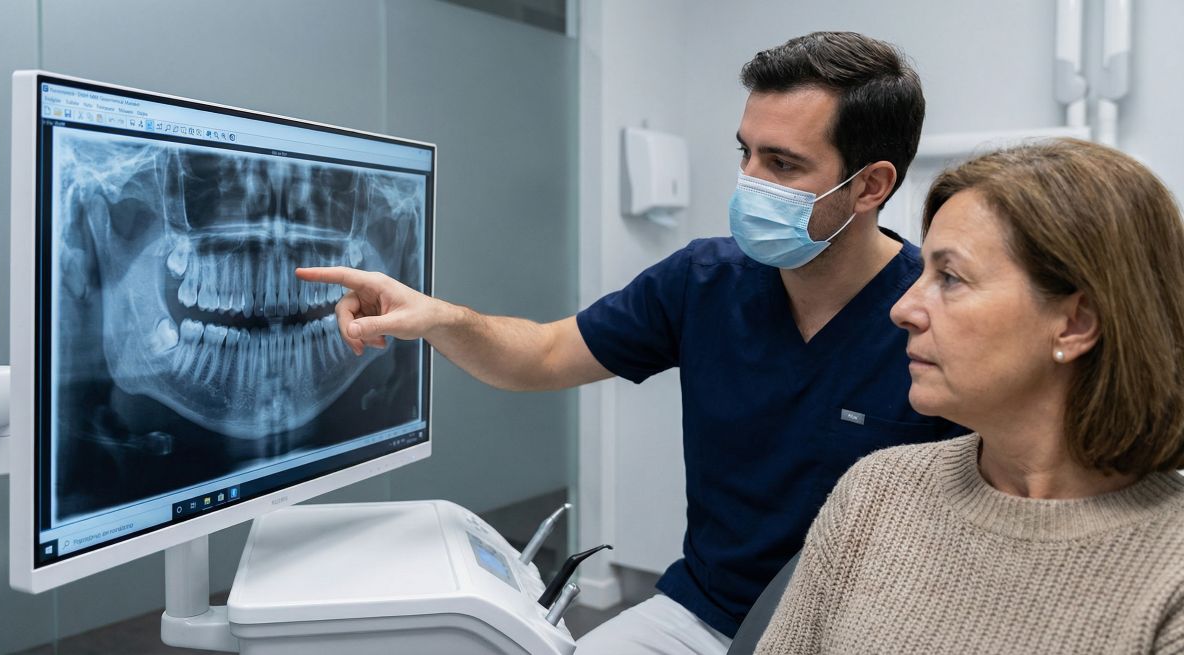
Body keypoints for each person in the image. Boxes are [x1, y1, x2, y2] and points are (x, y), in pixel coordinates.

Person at [298, 32, 963, 654]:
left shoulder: (935, 318)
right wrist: (435, 316)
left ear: (871, 185)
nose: (750, 180)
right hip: (702, 614)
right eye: (746, 152)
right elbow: (545, 353)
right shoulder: (704, 281)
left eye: (783, 163)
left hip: (861, 633)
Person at [755, 138, 1184, 655]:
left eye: (951, 278)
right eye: (923, 275)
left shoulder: (1171, 570)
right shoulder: (876, 494)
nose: (904, 309)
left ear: (1075, 323)